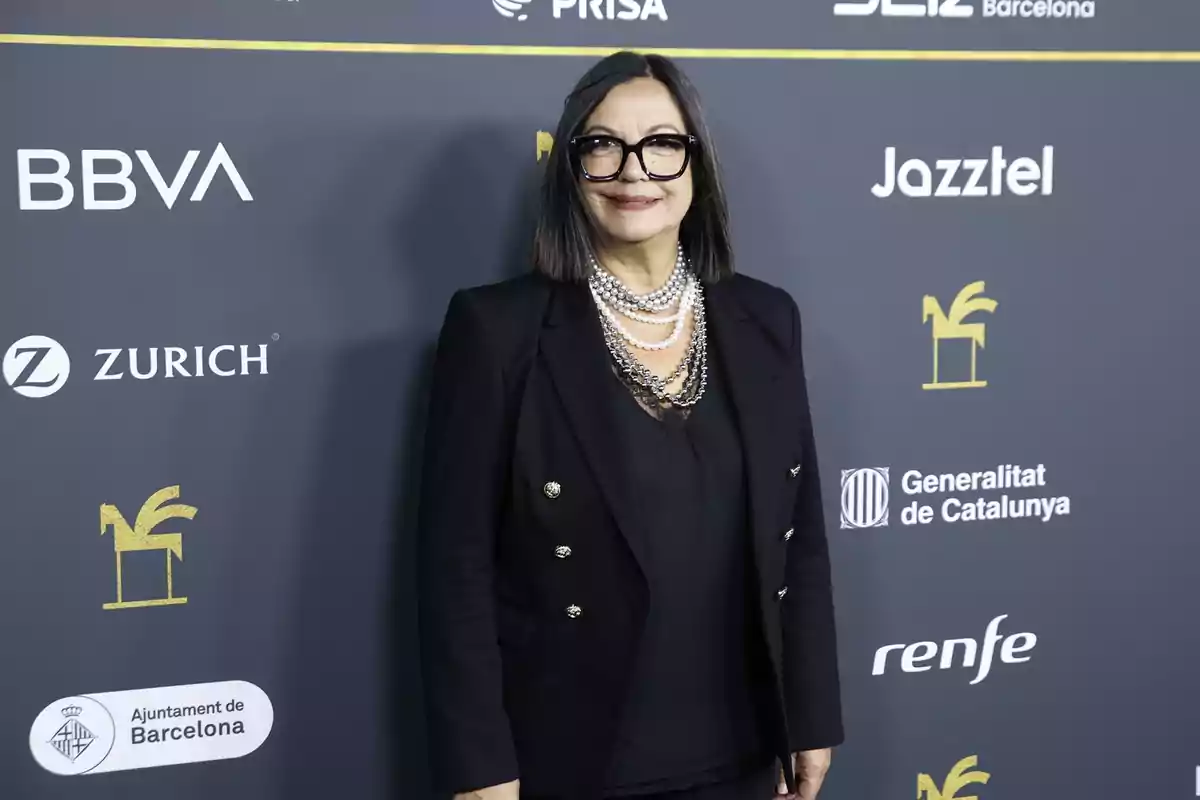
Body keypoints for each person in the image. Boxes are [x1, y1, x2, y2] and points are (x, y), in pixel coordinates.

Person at [416, 51, 843, 800]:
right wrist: (480, 769)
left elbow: (798, 535)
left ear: (696, 165)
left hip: (743, 755)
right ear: (571, 167)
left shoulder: (766, 318)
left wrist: (810, 714)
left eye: (662, 144)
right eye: (602, 144)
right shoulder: (497, 331)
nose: (633, 170)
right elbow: (455, 569)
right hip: (574, 759)